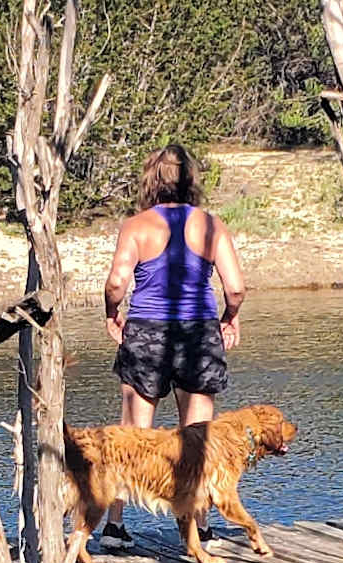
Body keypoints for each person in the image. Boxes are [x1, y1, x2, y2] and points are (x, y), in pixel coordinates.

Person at [101, 145, 248, 430]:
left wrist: (112, 311)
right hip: (198, 333)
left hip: (146, 332)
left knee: (134, 441)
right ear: (191, 180)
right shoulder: (211, 225)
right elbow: (236, 289)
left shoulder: (135, 226)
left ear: (151, 181)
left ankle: (136, 477)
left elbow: (117, 282)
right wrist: (230, 316)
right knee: (197, 442)